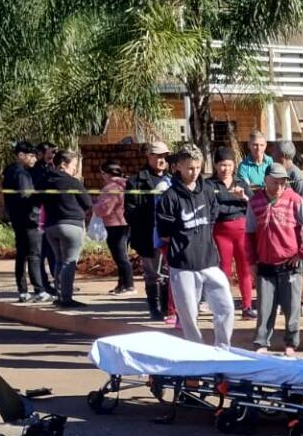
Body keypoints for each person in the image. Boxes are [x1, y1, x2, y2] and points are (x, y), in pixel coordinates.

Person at [155, 143, 244, 346]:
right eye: (189, 168)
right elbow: (166, 234)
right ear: (178, 166)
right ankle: (197, 353)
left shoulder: (208, 190)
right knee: (188, 316)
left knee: (226, 306)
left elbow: (212, 218)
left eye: (197, 167)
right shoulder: (169, 197)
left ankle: (223, 348)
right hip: (183, 265)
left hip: (209, 262)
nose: (194, 172)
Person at [248, 162, 303, 352]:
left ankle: (291, 343)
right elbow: (249, 232)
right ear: (265, 180)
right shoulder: (255, 201)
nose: (279, 187)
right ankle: (261, 342)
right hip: (265, 264)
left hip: (290, 264)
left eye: (283, 183)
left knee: (292, 309)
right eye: (275, 182)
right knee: (265, 308)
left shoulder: (294, 200)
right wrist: (250, 260)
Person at [206, 146, 255, 319]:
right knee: (223, 270)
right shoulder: (210, 185)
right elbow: (213, 208)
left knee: (245, 269)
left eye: (229, 165)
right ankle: (224, 306)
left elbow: (253, 205)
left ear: (234, 165)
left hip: (242, 230)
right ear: (215, 165)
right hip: (221, 232)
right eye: (221, 165)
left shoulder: (241, 183)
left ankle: (247, 306)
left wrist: (244, 199)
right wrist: (231, 205)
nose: (225, 169)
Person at [125, 141, 173, 319]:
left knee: (168, 273)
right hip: (147, 235)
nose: (162, 160)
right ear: (149, 156)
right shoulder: (136, 181)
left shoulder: (172, 179)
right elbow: (129, 211)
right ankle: (154, 307)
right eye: (158, 156)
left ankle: (167, 308)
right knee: (152, 274)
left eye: (164, 156)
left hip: (169, 235)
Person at [43, 150, 92, 308]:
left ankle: (59, 295)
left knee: (59, 261)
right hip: (71, 226)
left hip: (51, 227)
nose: (75, 169)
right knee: (69, 262)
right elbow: (88, 203)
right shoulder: (72, 182)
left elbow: (37, 199)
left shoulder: (46, 181)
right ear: (63, 165)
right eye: (74, 166)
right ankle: (66, 298)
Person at [2, 141, 48, 302]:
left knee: (21, 254)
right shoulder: (21, 174)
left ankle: (22, 291)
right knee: (34, 254)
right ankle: (39, 290)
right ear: (21, 155)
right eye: (31, 155)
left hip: (17, 218)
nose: (34, 159)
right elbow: (26, 196)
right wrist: (42, 196)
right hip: (30, 219)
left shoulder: (10, 172)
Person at [94, 160, 132, 294]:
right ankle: (122, 285)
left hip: (115, 225)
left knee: (120, 257)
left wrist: (95, 207)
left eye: (102, 173)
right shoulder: (125, 184)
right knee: (121, 255)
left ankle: (128, 285)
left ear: (106, 174)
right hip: (125, 223)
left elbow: (105, 209)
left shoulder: (111, 188)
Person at [34, 141, 60, 294]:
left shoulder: (53, 168)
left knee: (54, 253)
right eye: (51, 152)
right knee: (41, 253)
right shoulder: (37, 171)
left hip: (52, 216)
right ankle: (43, 284)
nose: (53, 155)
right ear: (41, 154)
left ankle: (59, 283)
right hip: (40, 218)